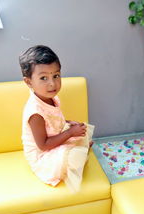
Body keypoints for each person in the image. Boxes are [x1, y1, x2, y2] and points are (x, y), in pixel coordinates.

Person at [19, 45, 94, 192]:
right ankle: (79, 154)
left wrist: (67, 123)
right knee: (70, 154)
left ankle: (80, 150)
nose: (52, 83)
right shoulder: (35, 113)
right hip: (42, 156)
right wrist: (70, 133)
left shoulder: (51, 97)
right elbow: (44, 145)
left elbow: (53, 120)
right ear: (28, 82)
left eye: (56, 76)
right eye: (43, 78)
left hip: (53, 140)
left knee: (81, 132)